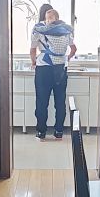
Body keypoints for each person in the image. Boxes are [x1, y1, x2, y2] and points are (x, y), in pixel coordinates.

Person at [30, 7, 76, 140]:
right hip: (60, 69)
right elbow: (74, 49)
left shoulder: (39, 30)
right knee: (60, 102)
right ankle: (59, 131)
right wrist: (67, 58)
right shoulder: (66, 30)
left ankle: (41, 132)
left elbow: (32, 50)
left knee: (42, 102)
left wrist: (33, 62)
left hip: (43, 69)